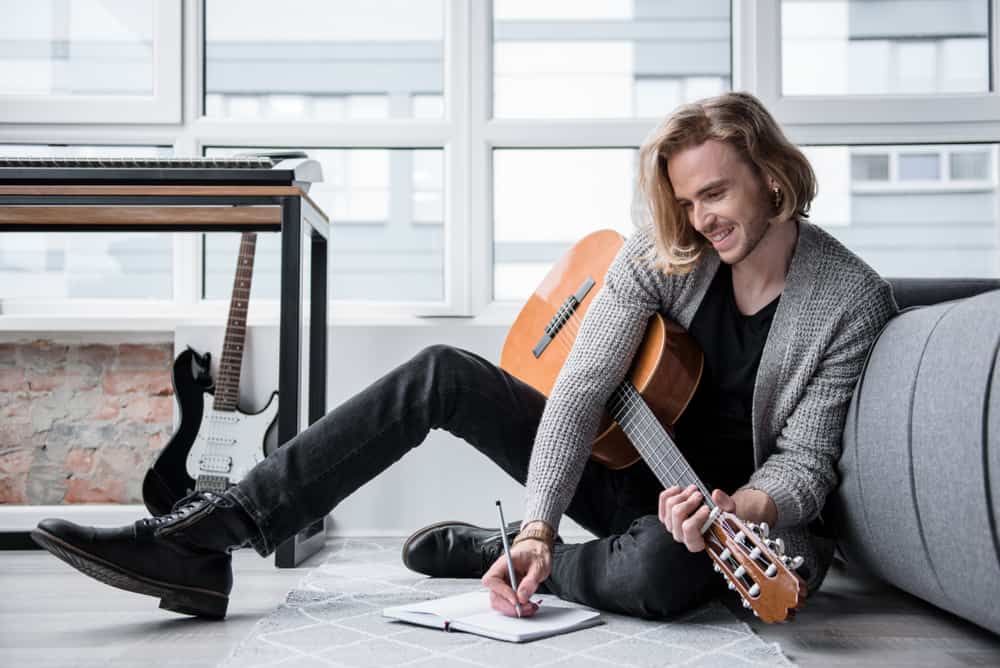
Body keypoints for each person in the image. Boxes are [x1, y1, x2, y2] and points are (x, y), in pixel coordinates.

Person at [31, 91, 898, 621]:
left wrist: (734, 503)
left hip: (721, 525)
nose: (702, 216)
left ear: (773, 174)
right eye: (687, 199)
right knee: (443, 369)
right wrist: (540, 523)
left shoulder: (850, 299)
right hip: (621, 475)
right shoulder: (662, 254)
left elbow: (808, 463)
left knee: (669, 575)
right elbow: (580, 390)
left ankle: (514, 556)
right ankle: (213, 533)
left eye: (717, 192)